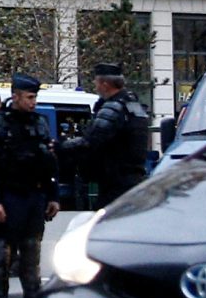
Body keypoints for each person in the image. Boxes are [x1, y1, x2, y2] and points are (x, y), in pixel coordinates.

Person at [0, 73, 59, 298]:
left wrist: (53, 195)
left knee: (31, 261)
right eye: (30, 97)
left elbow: (48, 162)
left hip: (33, 198)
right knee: (1, 259)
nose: (33, 102)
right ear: (16, 96)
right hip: (7, 198)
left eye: (35, 98)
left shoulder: (40, 124)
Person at [64, 61, 153, 208]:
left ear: (105, 85)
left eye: (96, 82)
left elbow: (92, 141)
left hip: (115, 183)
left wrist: (61, 146)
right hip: (133, 180)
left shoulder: (114, 107)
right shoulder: (134, 105)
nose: (95, 86)